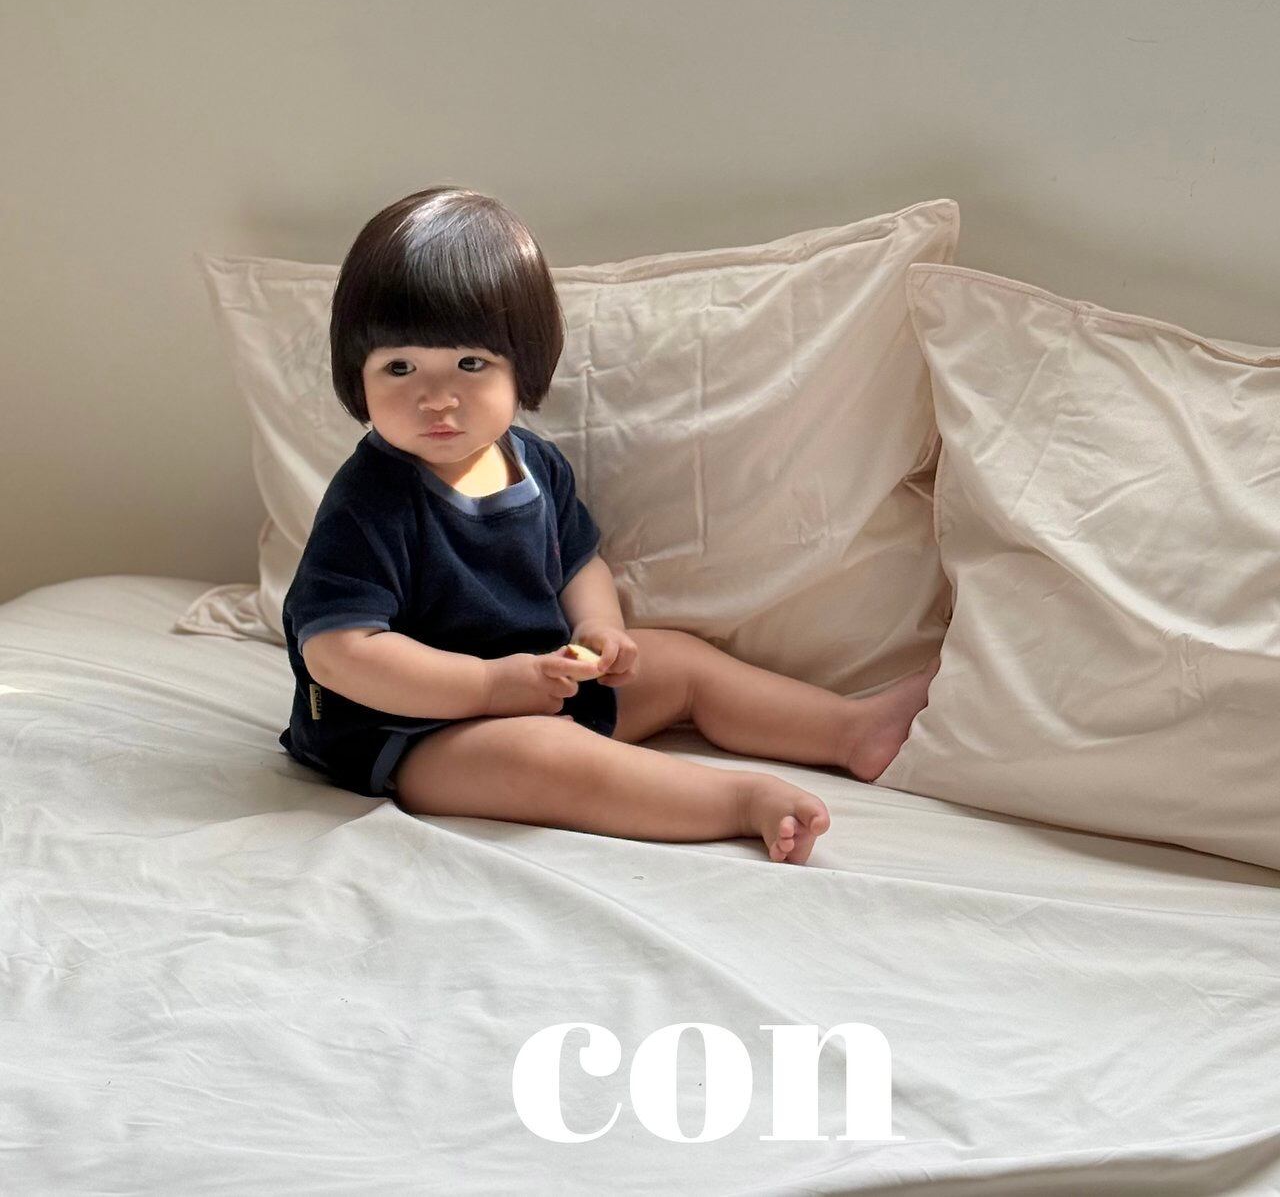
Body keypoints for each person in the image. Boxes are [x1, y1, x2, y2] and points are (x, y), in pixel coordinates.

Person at [279, 187, 940, 866]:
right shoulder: (369, 501)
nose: (437, 397)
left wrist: (600, 628)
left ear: (523, 368)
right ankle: (736, 800)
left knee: (678, 659)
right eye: (400, 367)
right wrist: (489, 688)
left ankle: (849, 730)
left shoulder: (533, 464)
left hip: (542, 681)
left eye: (470, 364)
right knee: (540, 755)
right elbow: (341, 652)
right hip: (408, 732)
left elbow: (578, 564)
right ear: (356, 377)